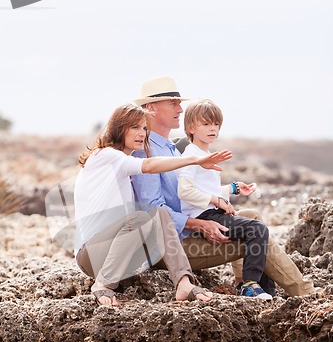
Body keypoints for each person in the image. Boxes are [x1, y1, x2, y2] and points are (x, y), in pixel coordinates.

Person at [131, 76, 317, 297]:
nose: (180, 109)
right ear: (151, 108)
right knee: (256, 234)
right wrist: (200, 224)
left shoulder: (172, 149)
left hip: (187, 232)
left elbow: (192, 192)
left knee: (252, 216)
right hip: (172, 248)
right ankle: (304, 294)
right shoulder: (146, 152)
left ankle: (249, 286)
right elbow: (153, 212)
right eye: (173, 103)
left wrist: (232, 190)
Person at [74, 103, 231, 307]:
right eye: (135, 128)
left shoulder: (122, 167)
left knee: (159, 213)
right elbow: (149, 166)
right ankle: (102, 284)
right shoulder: (106, 155)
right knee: (145, 215)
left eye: (145, 128)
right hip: (92, 254)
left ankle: (183, 283)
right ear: (119, 128)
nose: (142, 134)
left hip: (118, 252)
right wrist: (195, 160)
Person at [178, 98, 274, 299]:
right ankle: (249, 284)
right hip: (205, 216)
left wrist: (232, 189)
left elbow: (204, 187)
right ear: (190, 127)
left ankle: (266, 290)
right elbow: (184, 191)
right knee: (258, 229)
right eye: (206, 123)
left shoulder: (204, 152)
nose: (212, 128)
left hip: (212, 211)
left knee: (256, 228)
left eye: (216, 124)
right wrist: (217, 201)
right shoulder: (191, 155)